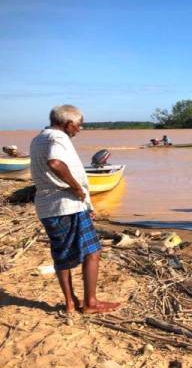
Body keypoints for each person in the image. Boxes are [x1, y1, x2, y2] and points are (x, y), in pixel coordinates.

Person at [29, 105, 120, 314]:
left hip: (47, 206)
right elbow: (55, 162)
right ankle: (91, 303)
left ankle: (70, 303)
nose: (79, 130)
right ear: (68, 123)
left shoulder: (38, 138)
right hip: (67, 205)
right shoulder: (59, 138)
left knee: (61, 255)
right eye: (79, 125)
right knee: (93, 252)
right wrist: (77, 188)